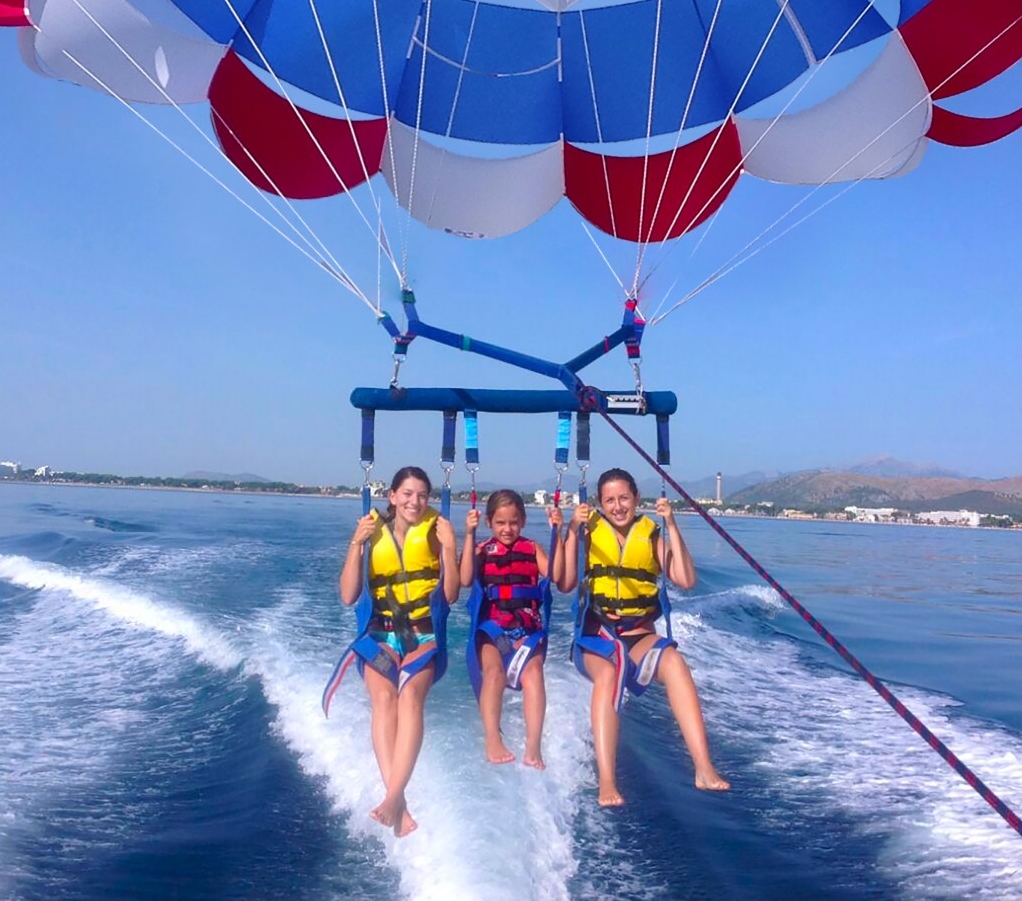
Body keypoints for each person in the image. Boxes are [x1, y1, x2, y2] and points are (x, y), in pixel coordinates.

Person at [560, 467, 729, 806]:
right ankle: (607, 782)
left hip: (639, 637)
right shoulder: (589, 532)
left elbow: (685, 580)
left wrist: (671, 525)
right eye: (610, 500)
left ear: (637, 499)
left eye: (624, 498)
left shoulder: (650, 535)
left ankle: (703, 767)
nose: (618, 506)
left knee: (676, 664)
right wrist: (572, 529)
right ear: (600, 503)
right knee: (607, 676)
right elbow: (564, 583)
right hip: (596, 638)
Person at [333, 466, 459, 838]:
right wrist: (356, 542)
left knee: (410, 700)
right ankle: (396, 801)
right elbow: (347, 595)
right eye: (407, 494)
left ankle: (393, 798)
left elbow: (451, 595)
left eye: (421, 495)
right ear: (392, 496)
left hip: (422, 636)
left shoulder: (438, 534)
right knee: (385, 700)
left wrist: (451, 547)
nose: (414, 502)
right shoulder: (371, 534)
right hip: (380, 636)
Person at [460, 490, 564, 769]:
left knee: (534, 675)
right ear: (489, 523)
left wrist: (559, 534)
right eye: (500, 523)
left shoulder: (532, 549)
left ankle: (533, 746)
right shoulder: (482, 551)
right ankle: (492, 738)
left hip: (528, 630)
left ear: (523, 521)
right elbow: (465, 579)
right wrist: (469, 536)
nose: (508, 529)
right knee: (494, 673)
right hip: (494, 630)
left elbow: (555, 575)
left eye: (514, 523)